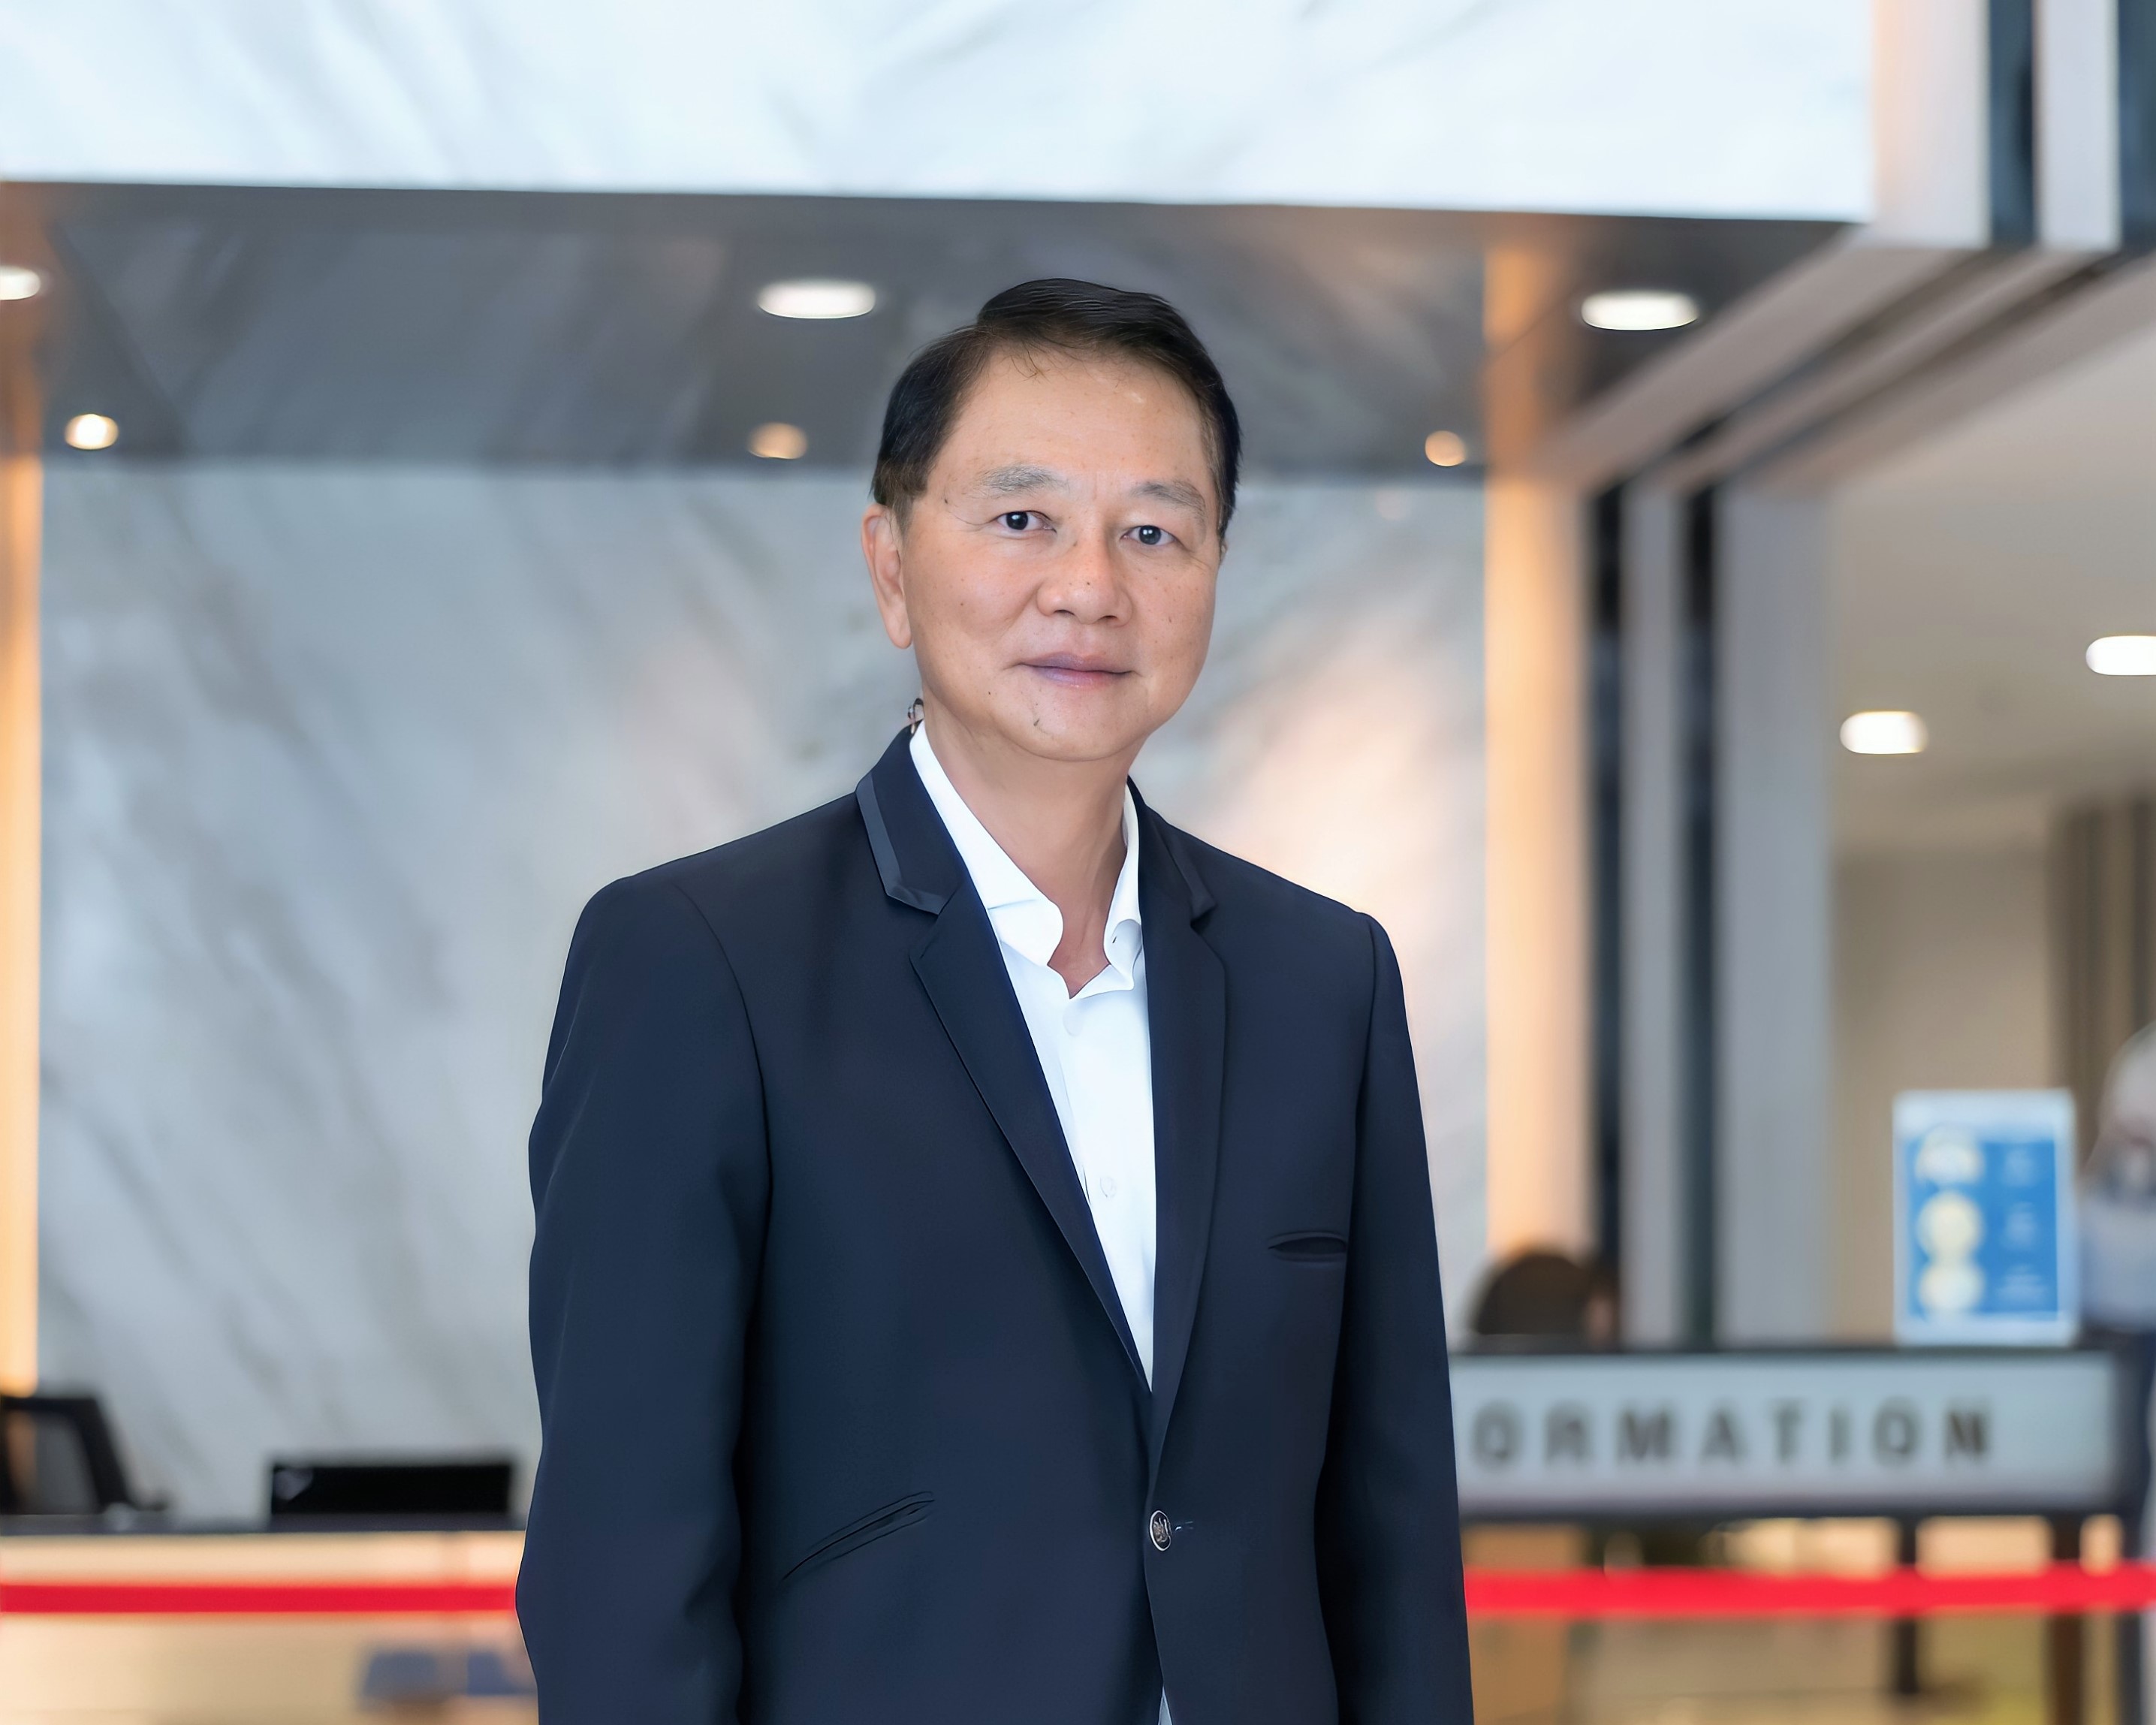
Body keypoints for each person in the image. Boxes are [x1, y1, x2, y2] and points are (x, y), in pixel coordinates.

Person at [517, 279, 1472, 1724]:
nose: (1089, 586)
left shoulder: (1323, 982)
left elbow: (1391, 1543)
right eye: (1024, 517)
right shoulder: (698, 962)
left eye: (1153, 531)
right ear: (891, 566)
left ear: (1216, 571)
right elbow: (622, 1580)